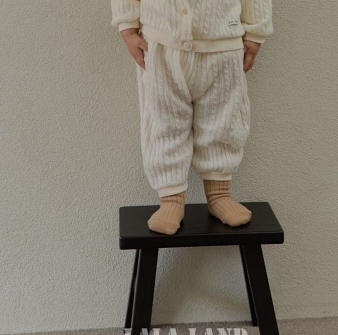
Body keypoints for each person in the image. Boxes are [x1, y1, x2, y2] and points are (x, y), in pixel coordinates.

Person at [111, 0, 273, 235]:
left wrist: (256, 32)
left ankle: (219, 194)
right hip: (161, 45)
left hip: (224, 45)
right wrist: (127, 26)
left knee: (223, 121)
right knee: (164, 122)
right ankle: (171, 199)